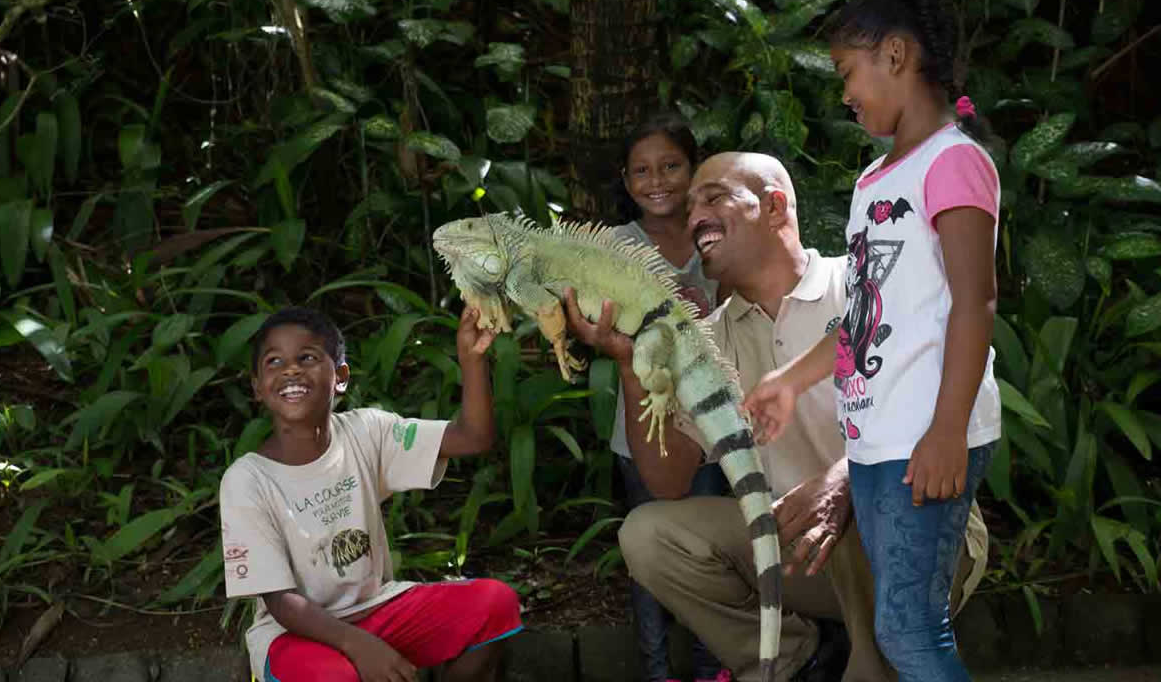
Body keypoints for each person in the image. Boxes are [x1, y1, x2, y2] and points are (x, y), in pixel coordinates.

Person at [562, 150, 989, 682]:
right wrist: (631, 366)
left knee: (869, 505)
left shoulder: (862, 284)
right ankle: (797, 660)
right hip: (801, 551)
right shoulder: (709, 342)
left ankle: (872, 665)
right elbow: (669, 481)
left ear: (773, 206)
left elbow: (951, 395)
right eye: (690, 205)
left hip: (922, 541)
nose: (693, 217)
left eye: (713, 197)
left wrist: (845, 481)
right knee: (651, 533)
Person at [743, 0, 1003, 679]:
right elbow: (862, 316)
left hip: (928, 439)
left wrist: (948, 431)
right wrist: (790, 381)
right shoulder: (873, 182)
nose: (845, 94)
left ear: (895, 55)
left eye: (846, 72)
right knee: (902, 627)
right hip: (879, 446)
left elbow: (975, 303)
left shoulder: (954, 163)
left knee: (909, 632)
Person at [218, 306, 522, 682]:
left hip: (376, 608)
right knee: (339, 676)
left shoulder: (367, 432)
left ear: (340, 377)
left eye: (307, 357)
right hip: (292, 635)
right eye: (274, 361)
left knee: (495, 605)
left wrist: (472, 360)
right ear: (258, 388)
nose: (290, 370)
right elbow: (281, 602)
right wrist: (359, 645)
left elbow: (473, 437)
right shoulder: (247, 480)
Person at [606, 112, 731, 682]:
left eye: (671, 166)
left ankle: (713, 670)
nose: (656, 181)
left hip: (713, 426)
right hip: (643, 427)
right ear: (626, 180)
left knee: (710, 557)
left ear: (694, 167)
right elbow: (601, 322)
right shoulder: (616, 246)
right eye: (641, 170)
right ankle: (657, 672)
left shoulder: (720, 229)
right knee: (647, 557)